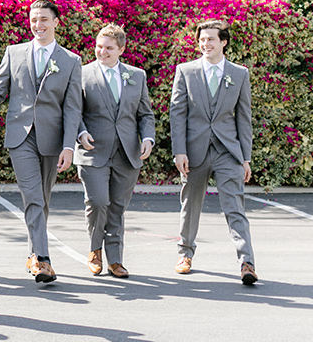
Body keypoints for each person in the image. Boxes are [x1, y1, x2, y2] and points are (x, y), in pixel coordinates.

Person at [0, 0, 82, 283]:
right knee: (33, 196)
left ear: (56, 22)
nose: (37, 25)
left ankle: (32, 253)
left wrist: (69, 146)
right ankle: (43, 259)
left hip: (53, 140)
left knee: (42, 199)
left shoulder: (70, 60)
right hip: (21, 137)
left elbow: (73, 107)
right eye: (33, 19)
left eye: (44, 19)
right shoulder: (14, 53)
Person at [170, 19, 258, 284]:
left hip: (227, 151)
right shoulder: (185, 71)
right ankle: (185, 254)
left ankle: (247, 262)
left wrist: (245, 158)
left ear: (223, 42)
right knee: (190, 205)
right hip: (194, 151)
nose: (205, 44)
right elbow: (177, 114)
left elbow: (244, 117)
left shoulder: (239, 73)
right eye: (202, 39)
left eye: (210, 39)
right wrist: (179, 151)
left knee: (235, 207)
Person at [75, 24, 155, 278]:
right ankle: (95, 250)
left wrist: (148, 138)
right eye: (99, 46)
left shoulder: (137, 75)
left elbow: (145, 114)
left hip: (127, 152)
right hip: (92, 150)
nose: (102, 52)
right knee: (98, 202)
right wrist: (80, 131)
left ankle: (115, 259)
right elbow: (73, 111)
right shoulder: (82, 74)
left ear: (121, 49)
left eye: (109, 48)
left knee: (118, 207)